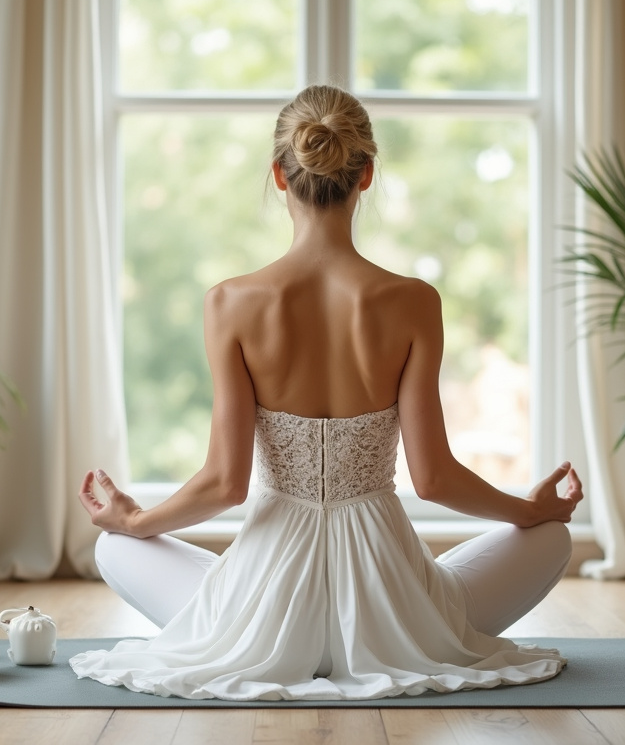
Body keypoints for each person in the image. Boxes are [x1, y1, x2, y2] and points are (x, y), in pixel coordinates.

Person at [70, 84, 583, 701]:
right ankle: (388, 635)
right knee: (553, 539)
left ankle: (258, 636)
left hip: (260, 612)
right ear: (366, 174)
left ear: (279, 177)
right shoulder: (414, 302)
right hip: (393, 611)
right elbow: (435, 479)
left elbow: (225, 484)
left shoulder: (230, 303)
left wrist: (136, 518)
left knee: (116, 547)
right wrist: (530, 512)